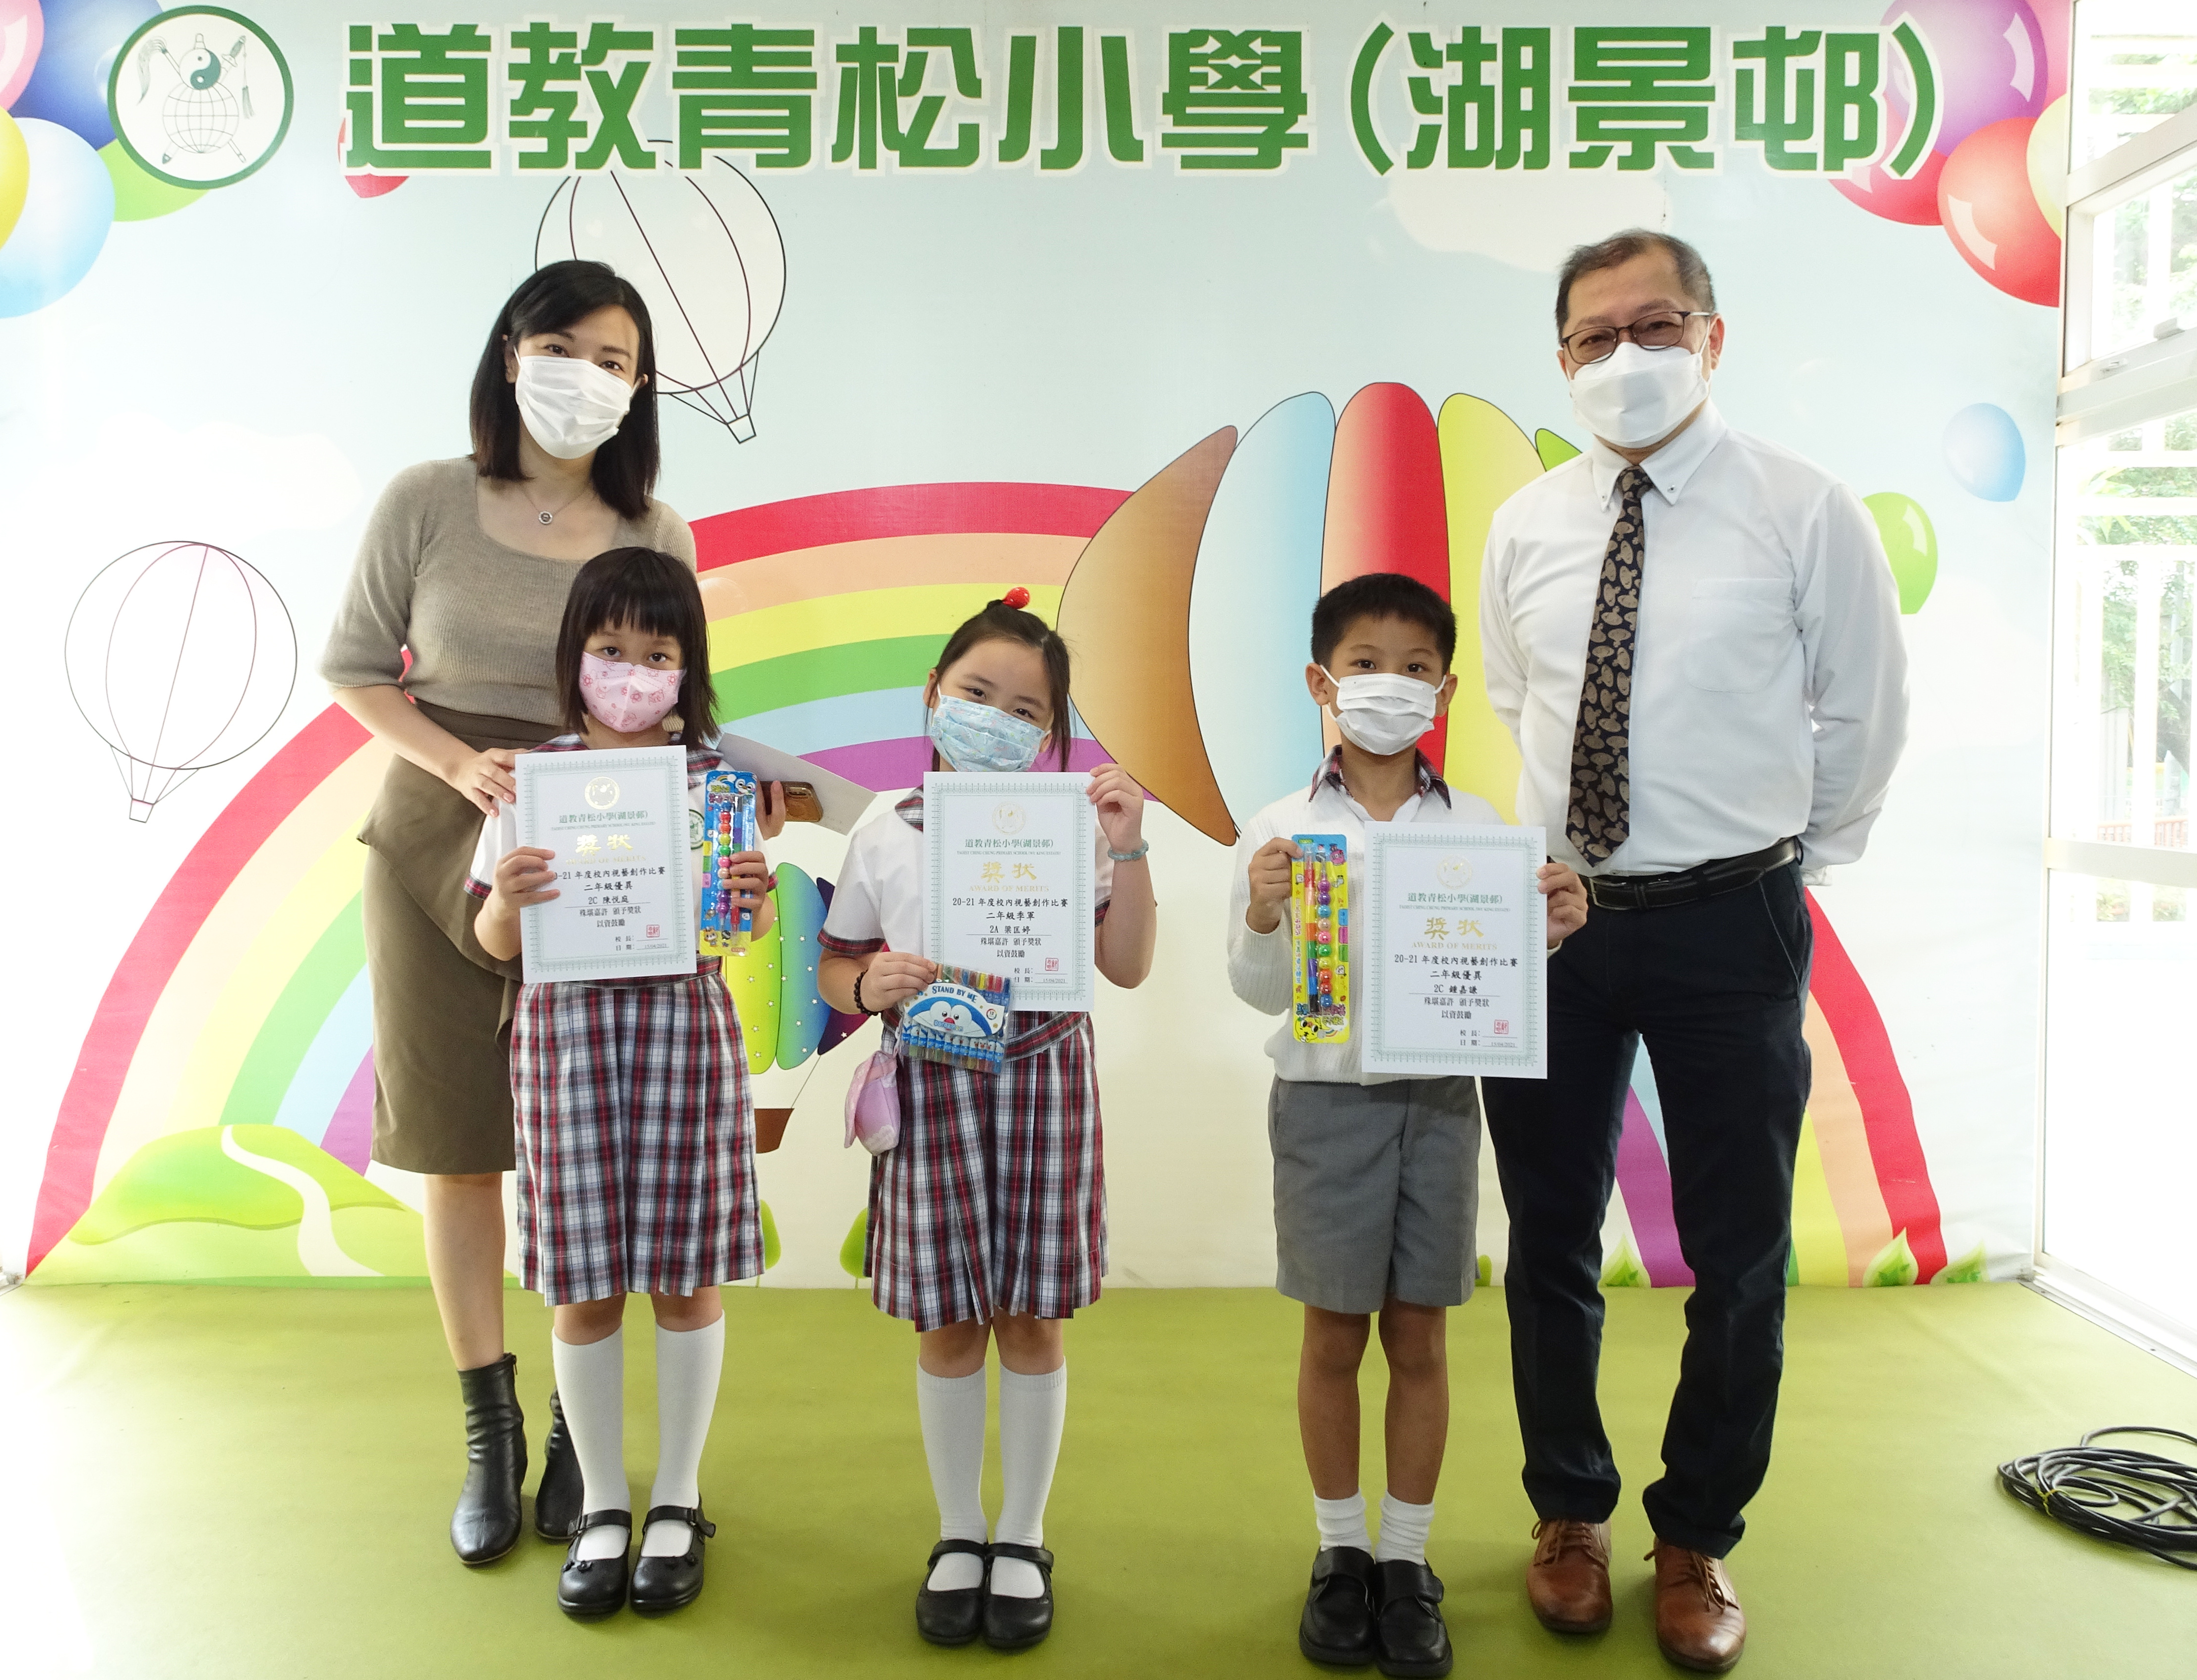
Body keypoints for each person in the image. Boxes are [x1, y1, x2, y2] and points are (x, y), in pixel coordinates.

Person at [1475, 229, 1908, 1673]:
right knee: (1549, 1235)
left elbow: (1863, 709)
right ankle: (1569, 1510)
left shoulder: (1803, 506)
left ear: (1713, 338)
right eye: (1594, 336)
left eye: (1655, 324)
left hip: (1736, 916)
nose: (1626, 356)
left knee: (1738, 1252)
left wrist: (1793, 864)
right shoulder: (1527, 524)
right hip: (1558, 919)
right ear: (1561, 359)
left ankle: (1697, 1532)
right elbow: (1524, 699)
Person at [321, 260, 698, 1565]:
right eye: (563, 347)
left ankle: (574, 1433)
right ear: (511, 352)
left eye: (615, 359)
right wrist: (460, 766)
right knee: (461, 1143)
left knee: (590, 1139)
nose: (586, 375)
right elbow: (355, 668)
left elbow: (677, 697)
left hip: (594, 853)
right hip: (434, 841)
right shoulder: (426, 498)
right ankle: (489, 1429)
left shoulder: (657, 529)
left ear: (639, 387)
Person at [1227, 573, 1587, 1679]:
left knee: (1421, 1336)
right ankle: (1340, 1553)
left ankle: (1405, 1560)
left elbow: (1500, 982)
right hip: (1324, 1104)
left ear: (1447, 690)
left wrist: (1551, 930)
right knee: (1334, 1336)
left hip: (1439, 1105)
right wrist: (1263, 912)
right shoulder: (1282, 827)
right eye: (1366, 663)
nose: (1391, 683)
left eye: (1417, 667)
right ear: (1321, 682)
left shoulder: (1481, 832)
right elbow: (1257, 990)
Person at [813, 595, 1158, 1653]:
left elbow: (1127, 965)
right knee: (949, 1320)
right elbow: (836, 964)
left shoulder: (1076, 826)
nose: (998, 720)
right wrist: (867, 983)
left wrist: (1131, 849)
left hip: (1046, 1073)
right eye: (977, 693)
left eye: (1025, 711)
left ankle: (1023, 1534)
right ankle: (960, 1531)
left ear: (1050, 734)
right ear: (935, 694)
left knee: (1033, 1317)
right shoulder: (886, 825)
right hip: (931, 1078)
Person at [471, 547, 772, 1620]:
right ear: (576, 654)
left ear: (688, 668)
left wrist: (751, 902)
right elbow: (493, 939)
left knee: (687, 1279)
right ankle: (603, 1503)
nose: (632, 673)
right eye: (611, 648)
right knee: (586, 1287)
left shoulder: (716, 784)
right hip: (565, 1044)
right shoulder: (530, 781)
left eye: (657, 653)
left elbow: (738, 932)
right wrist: (506, 900)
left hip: (686, 1031)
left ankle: (678, 1497)